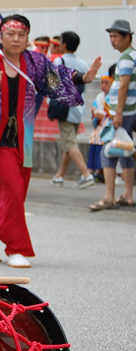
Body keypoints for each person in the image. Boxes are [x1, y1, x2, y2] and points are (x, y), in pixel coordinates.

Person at [0, 14, 101, 268]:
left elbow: (57, 76)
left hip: (22, 141)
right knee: (13, 189)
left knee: (9, 193)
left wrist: (84, 78)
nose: (16, 39)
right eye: (10, 34)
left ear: (27, 38)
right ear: (1, 37)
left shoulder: (34, 62)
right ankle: (16, 249)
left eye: (21, 34)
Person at [92, 19, 136, 210]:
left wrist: (117, 113)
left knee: (108, 151)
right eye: (110, 36)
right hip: (130, 110)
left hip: (123, 111)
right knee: (125, 149)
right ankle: (127, 195)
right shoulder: (132, 55)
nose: (112, 40)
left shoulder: (127, 57)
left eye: (116, 36)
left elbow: (123, 86)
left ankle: (108, 198)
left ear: (127, 37)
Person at [50, 31, 95, 189]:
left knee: (70, 143)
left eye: (60, 41)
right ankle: (59, 176)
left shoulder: (59, 61)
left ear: (65, 44)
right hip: (78, 108)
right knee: (69, 143)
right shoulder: (82, 64)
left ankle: (86, 174)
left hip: (65, 108)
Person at [87, 70, 114, 195]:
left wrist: (100, 114)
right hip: (98, 126)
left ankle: (98, 171)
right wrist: (95, 112)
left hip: (106, 126)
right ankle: (91, 169)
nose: (103, 85)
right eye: (101, 82)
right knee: (93, 148)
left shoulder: (112, 96)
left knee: (100, 149)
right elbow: (94, 107)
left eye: (106, 83)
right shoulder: (99, 96)